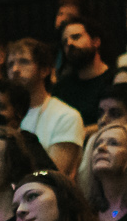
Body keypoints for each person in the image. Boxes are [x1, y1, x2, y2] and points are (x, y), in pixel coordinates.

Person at [8, 38, 88, 179]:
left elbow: (55, 177)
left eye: (24, 62)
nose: (15, 70)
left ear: (44, 70)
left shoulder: (66, 116)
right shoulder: (5, 113)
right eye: (10, 64)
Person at [53, 17, 115, 119]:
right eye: (65, 42)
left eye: (76, 37)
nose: (69, 43)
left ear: (95, 42)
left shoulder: (115, 80)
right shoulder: (61, 89)